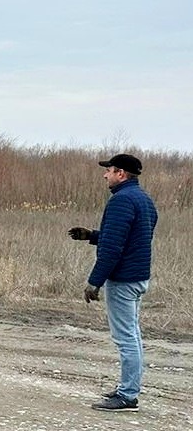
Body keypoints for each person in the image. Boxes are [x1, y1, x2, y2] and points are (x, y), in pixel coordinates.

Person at [67, 153, 159, 412]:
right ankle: (126, 389)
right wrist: (91, 235)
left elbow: (114, 248)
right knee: (134, 336)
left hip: (123, 280)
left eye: (109, 170)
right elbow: (130, 239)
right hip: (139, 277)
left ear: (121, 174)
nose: (105, 175)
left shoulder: (121, 201)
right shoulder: (144, 200)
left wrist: (95, 281)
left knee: (126, 338)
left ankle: (128, 396)